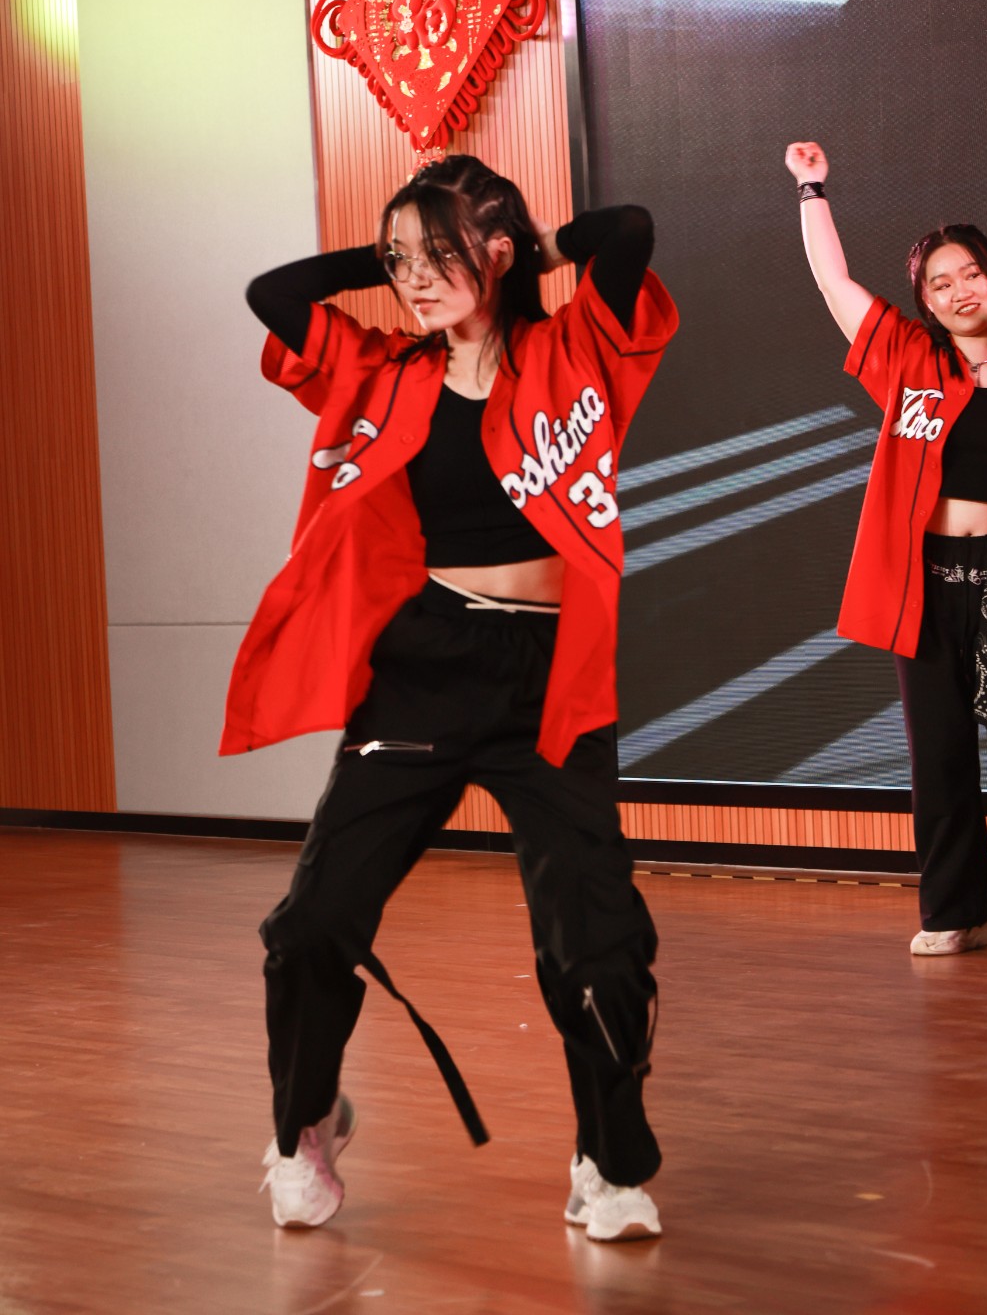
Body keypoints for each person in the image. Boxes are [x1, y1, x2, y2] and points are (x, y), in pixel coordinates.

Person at [223, 154, 678, 1238]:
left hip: (550, 677)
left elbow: (626, 227)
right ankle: (304, 1122)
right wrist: (409, 251)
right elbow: (274, 295)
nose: (413, 279)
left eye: (436, 257)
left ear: (500, 249)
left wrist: (511, 250)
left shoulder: (576, 348)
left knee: (599, 946)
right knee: (311, 924)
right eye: (399, 262)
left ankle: (608, 1161)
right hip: (424, 667)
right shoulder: (382, 368)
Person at [784, 140, 987, 968]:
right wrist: (811, 189)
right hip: (928, 582)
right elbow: (833, 282)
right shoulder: (908, 358)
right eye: (939, 284)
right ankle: (959, 913)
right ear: (925, 303)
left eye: (970, 274)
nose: (957, 291)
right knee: (937, 755)